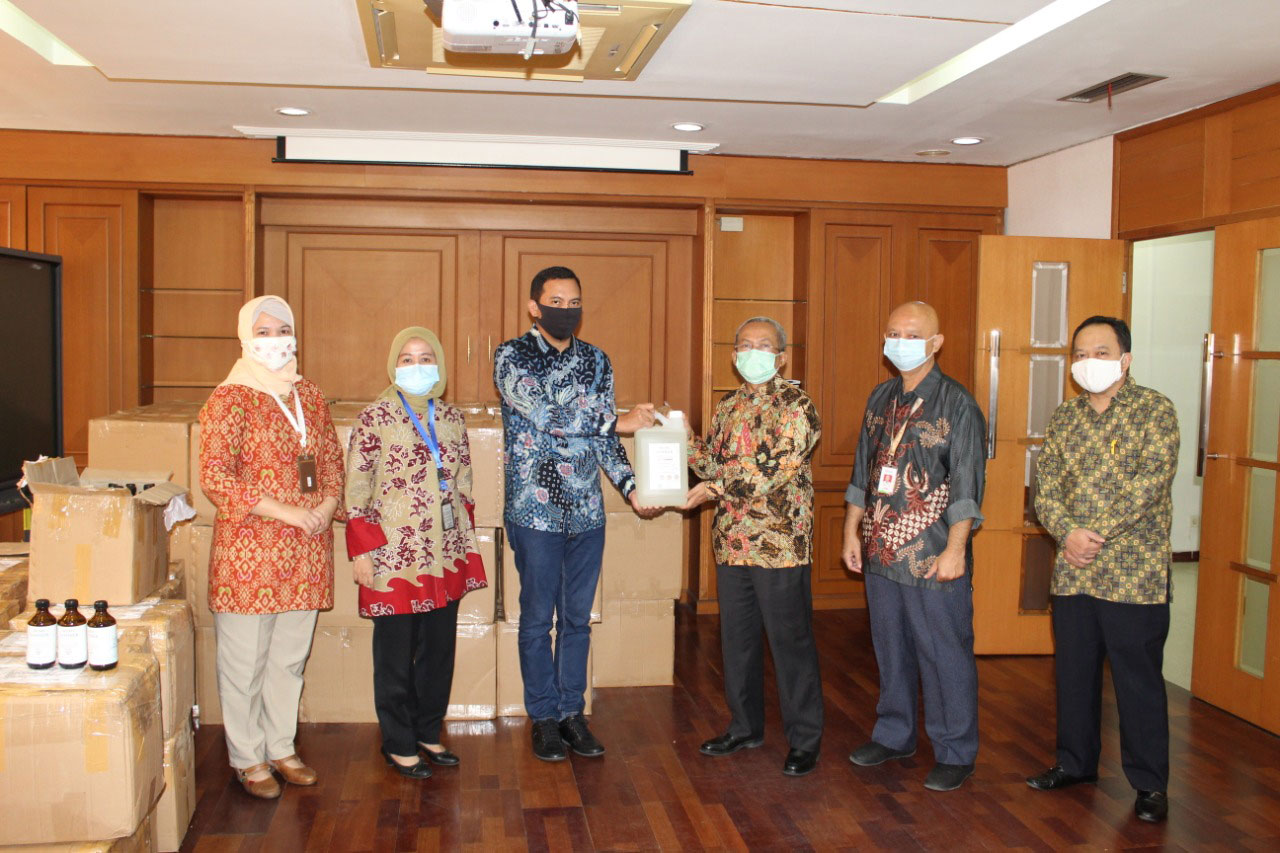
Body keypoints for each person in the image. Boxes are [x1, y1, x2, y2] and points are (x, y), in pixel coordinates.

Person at [494, 265, 659, 762]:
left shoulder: (596, 361)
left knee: (576, 621)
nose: (565, 311)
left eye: (573, 303)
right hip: (534, 513)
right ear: (534, 306)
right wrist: (618, 421)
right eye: (555, 302)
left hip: (587, 512)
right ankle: (543, 718)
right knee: (536, 620)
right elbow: (547, 415)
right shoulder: (512, 356)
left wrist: (631, 488)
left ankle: (572, 713)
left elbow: (604, 439)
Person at [1027, 316, 1179, 824]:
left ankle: (1150, 784)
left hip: (1133, 574)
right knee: (1073, 673)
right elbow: (1046, 487)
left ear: (1125, 359)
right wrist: (1067, 533)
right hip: (1074, 571)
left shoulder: (1155, 410)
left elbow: (1150, 484)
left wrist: (1092, 534)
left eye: (1101, 352)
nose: (1088, 361)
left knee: (1138, 682)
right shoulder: (1065, 417)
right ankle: (1075, 764)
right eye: (1080, 353)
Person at [199, 296, 344, 799]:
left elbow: (331, 460)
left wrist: (327, 505)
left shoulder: (309, 394)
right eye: (263, 331)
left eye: (283, 329)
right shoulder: (230, 398)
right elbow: (215, 476)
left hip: (306, 550)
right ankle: (248, 757)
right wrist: (285, 511)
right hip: (250, 554)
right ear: (245, 337)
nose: (275, 340)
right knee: (245, 663)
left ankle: (281, 746)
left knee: (288, 660)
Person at [841, 301, 986, 792]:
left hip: (932, 554)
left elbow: (967, 485)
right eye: (893, 333)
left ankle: (955, 751)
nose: (899, 342)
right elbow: (863, 472)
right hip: (881, 551)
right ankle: (894, 734)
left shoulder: (957, 403)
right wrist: (851, 531)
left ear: (936, 343)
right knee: (890, 647)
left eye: (911, 334)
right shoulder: (881, 397)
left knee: (944, 653)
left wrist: (956, 551)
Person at [344, 327, 488, 779]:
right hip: (393, 558)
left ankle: (428, 731)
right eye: (407, 358)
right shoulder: (375, 417)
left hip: (444, 553)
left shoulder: (452, 418)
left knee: (438, 650)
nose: (417, 366)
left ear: (439, 365)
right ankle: (398, 742)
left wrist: (462, 536)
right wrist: (362, 553)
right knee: (395, 654)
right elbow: (356, 491)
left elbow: (464, 482)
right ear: (393, 365)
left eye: (425, 357)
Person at [687, 317, 824, 777]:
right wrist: (684, 439)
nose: (753, 352)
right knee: (738, 641)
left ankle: (805, 739)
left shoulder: (798, 406)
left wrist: (713, 489)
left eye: (764, 345)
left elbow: (772, 470)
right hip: (732, 542)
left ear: (781, 357)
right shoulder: (727, 407)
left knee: (790, 643)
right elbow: (712, 463)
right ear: (733, 355)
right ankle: (744, 726)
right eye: (745, 345)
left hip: (779, 545)